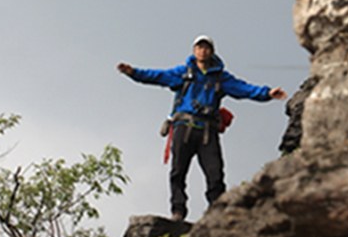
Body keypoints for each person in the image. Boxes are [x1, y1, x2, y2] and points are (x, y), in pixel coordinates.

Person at [117, 35, 286, 221]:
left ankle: (218, 212)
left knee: (215, 173)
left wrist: (267, 93)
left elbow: (243, 88)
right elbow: (158, 76)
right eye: (199, 47)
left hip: (207, 131)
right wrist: (133, 72)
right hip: (184, 127)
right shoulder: (184, 73)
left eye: (206, 48)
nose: (202, 51)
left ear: (212, 51)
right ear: (194, 50)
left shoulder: (220, 77)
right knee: (178, 172)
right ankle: (178, 211)